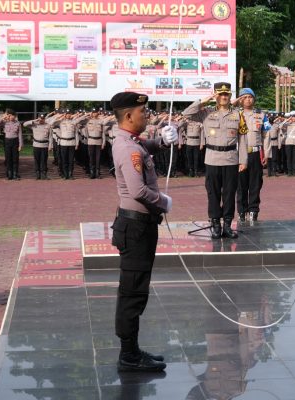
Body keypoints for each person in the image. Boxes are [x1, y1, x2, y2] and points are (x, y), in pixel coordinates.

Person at [110, 91, 177, 372]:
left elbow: (146, 146)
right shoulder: (127, 147)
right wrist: (164, 202)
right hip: (136, 227)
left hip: (140, 226)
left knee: (136, 289)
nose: (146, 115)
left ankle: (132, 350)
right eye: (143, 112)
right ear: (128, 116)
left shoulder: (131, 142)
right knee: (133, 292)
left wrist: (162, 141)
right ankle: (128, 355)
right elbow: (138, 190)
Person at [183, 82, 248, 239]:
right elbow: (187, 114)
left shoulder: (237, 115)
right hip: (212, 158)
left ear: (230, 96)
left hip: (231, 159)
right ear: (215, 96)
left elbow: (243, 138)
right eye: (220, 94)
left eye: (226, 94)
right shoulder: (206, 113)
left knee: (229, 193)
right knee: (213, 193)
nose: (223, 97)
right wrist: (203, 101)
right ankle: (216, 225)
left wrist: (243, 160)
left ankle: (227, 225)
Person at [233, 88, 270, 222]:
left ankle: (254, 210)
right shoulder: (234, 114)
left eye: (250, 97)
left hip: (256, 153)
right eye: (245, 97)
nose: (248, 99)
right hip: (240, 155)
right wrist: (235, 102)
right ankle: (242, 211)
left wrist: (266, 153)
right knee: (240, 185)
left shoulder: (261, 115)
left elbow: (266, 135)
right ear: (240, 99)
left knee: (255, 184)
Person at [24, 114, 53, 179]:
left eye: (42, 118)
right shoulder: (34, 125)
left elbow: (50, 137)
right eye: (40, 118)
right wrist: (35, 120)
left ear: (44, 119)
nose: (41, 120)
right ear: (38, 118)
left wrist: (50, 146)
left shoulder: (48, 126)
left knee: (44, 160)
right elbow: (24, 124)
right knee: (37, 160)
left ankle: (44, 174)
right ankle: (37, 174)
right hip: (36, 145)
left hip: (45, 145)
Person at [2, 109, 23, 180]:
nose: (11, 117)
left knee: (15, 159)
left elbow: (20, 134)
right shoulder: (5, 122)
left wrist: (20, 145)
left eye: (12, 115)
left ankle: (15, 173)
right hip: (7, 141)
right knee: (8, 158)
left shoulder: (18, 123)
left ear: (15, 116)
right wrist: (4, 117)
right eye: (10, 115)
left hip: (15, 141)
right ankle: (9, 174)